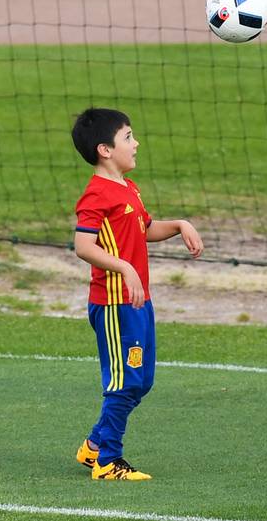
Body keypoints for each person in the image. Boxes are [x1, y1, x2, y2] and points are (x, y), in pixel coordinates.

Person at [71, 108, 204, 480]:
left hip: (137, 301)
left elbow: (143, 229)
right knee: (124, 381)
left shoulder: (128, 189)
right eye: (128, 137)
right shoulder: (96, 194)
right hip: (113, 303)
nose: (136, 142)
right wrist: (125, 267)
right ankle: (108, 461)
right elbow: (84, 245)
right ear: (105, 150)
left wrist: (180, 224)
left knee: (142, 381)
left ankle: (95, 445)